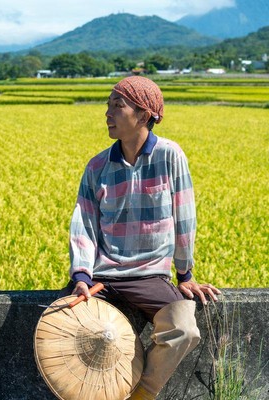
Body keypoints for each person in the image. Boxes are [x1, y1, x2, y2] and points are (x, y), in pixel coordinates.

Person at [60, 76, 221, 400]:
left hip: (149, 276)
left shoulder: (169, 156)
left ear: (144, 114)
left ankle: (141, 394)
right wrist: (81, 275)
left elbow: (184, 218)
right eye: (108, 105)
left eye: (117, 106)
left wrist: (184, 274)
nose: (108, 113)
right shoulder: (97, 167)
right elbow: (84, 224)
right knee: (65, 330)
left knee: (184, 330)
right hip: (102, 277)